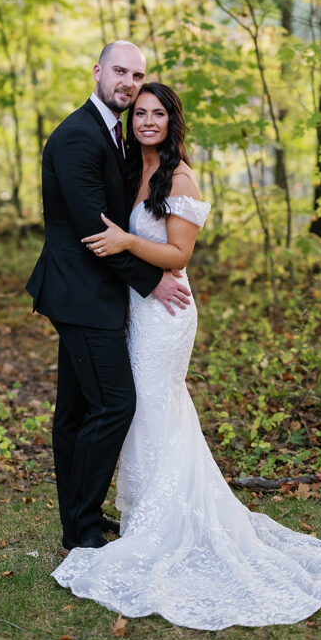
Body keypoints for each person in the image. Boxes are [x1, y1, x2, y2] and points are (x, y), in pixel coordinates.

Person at [51, 82, 321, 629]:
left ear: (172, 121)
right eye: (139, 112)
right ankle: (144, 514)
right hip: (136, 309)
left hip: (165, 314)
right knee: (143, 411)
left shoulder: (179, 176)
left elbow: (179, 253)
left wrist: (127, 244)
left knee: (151, 405)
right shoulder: (128, 165)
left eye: (157, 113)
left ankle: (166, 521)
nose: (146, 120)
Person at [26, 44, 192, 553]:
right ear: (98, 71)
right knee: (115, 405)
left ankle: (81, 520)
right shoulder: (79, 136)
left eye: (136, 75)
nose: (127, 81)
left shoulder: (112, 133)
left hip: (96, 293)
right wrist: (150, 279)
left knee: (75, 413)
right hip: (82, 294)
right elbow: (94, 232)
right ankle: (82, 528)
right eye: (120, 71)